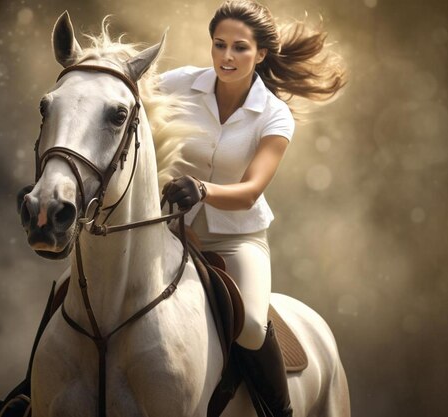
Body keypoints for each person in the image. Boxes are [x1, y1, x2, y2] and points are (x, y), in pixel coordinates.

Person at [158, 1, 346, 416]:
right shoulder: (174, 84)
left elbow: (250, 190)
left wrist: (202, 188)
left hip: (236, 237)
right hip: (165, 229)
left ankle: (279, 411)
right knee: (84, 282)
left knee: (250, 326)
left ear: (260, 54)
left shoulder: (275, 115)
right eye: (219, 45)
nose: (227, 57)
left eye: (240, 48)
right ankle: (28, 394)